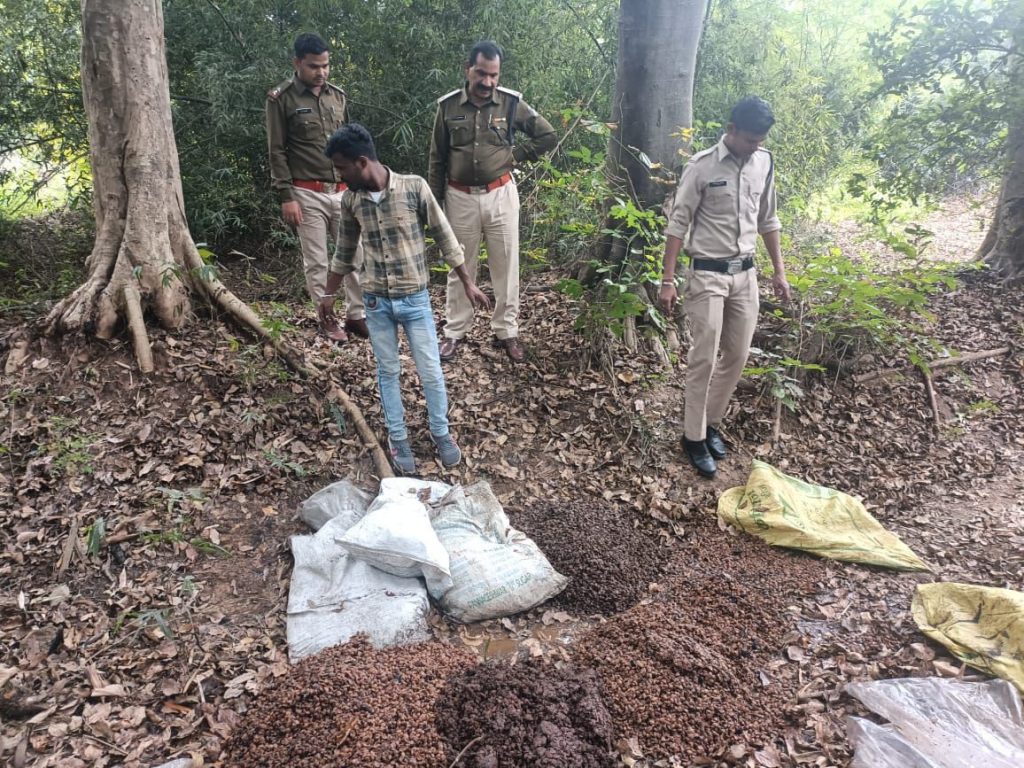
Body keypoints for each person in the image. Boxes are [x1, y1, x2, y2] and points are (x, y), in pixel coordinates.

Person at [319, 124, 491, 475]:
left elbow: (444, 235)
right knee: (388, 371)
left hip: (415, 300)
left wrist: (468, 283)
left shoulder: (414, 187)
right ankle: (398, 440)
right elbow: (344, 252)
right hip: (376, 303)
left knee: (430, 370)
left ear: (361, 162)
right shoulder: (351, 200)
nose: (339, 176)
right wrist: (328, 294)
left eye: (341, 168)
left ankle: (441, 432)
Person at [658, 96, 792, 478]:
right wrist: (667, 280)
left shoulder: (763, 162)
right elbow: (678, 224)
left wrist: (779, 272)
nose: (755, 147)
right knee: (704, 355)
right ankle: (692, 437)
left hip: (745, 275)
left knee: (737, 354)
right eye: (750, 139)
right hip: (707, 275)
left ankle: (711, 424)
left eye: (760, 140)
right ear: (731, 130)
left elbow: (768, 219)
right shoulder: (701, 166)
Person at [428, 40, 557, 363]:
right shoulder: (448, 107)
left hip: (500, 194)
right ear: (467, 69)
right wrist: (434, 203)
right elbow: (437, 158)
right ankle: (455, 331)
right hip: (458, 196)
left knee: (506, 264)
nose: (487, 82)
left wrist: (517, 156)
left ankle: (506, 331)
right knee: (459, 263)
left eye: (493, 75)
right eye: (481, 73)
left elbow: (547, 135)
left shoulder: (511, 104)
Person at [265, 32, 366, 342]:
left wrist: (358, 184)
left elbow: (350, 144)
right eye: (313, 66)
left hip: (343, 191)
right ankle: (327, 319)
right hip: (306, 192)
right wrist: (287, 196)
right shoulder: (282, 98)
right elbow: (276, 150)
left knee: (355, 255)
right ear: (297, 63)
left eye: (325, 65)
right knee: (318, 262)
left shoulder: (338, 96)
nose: (321, 72)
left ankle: (357, 315)